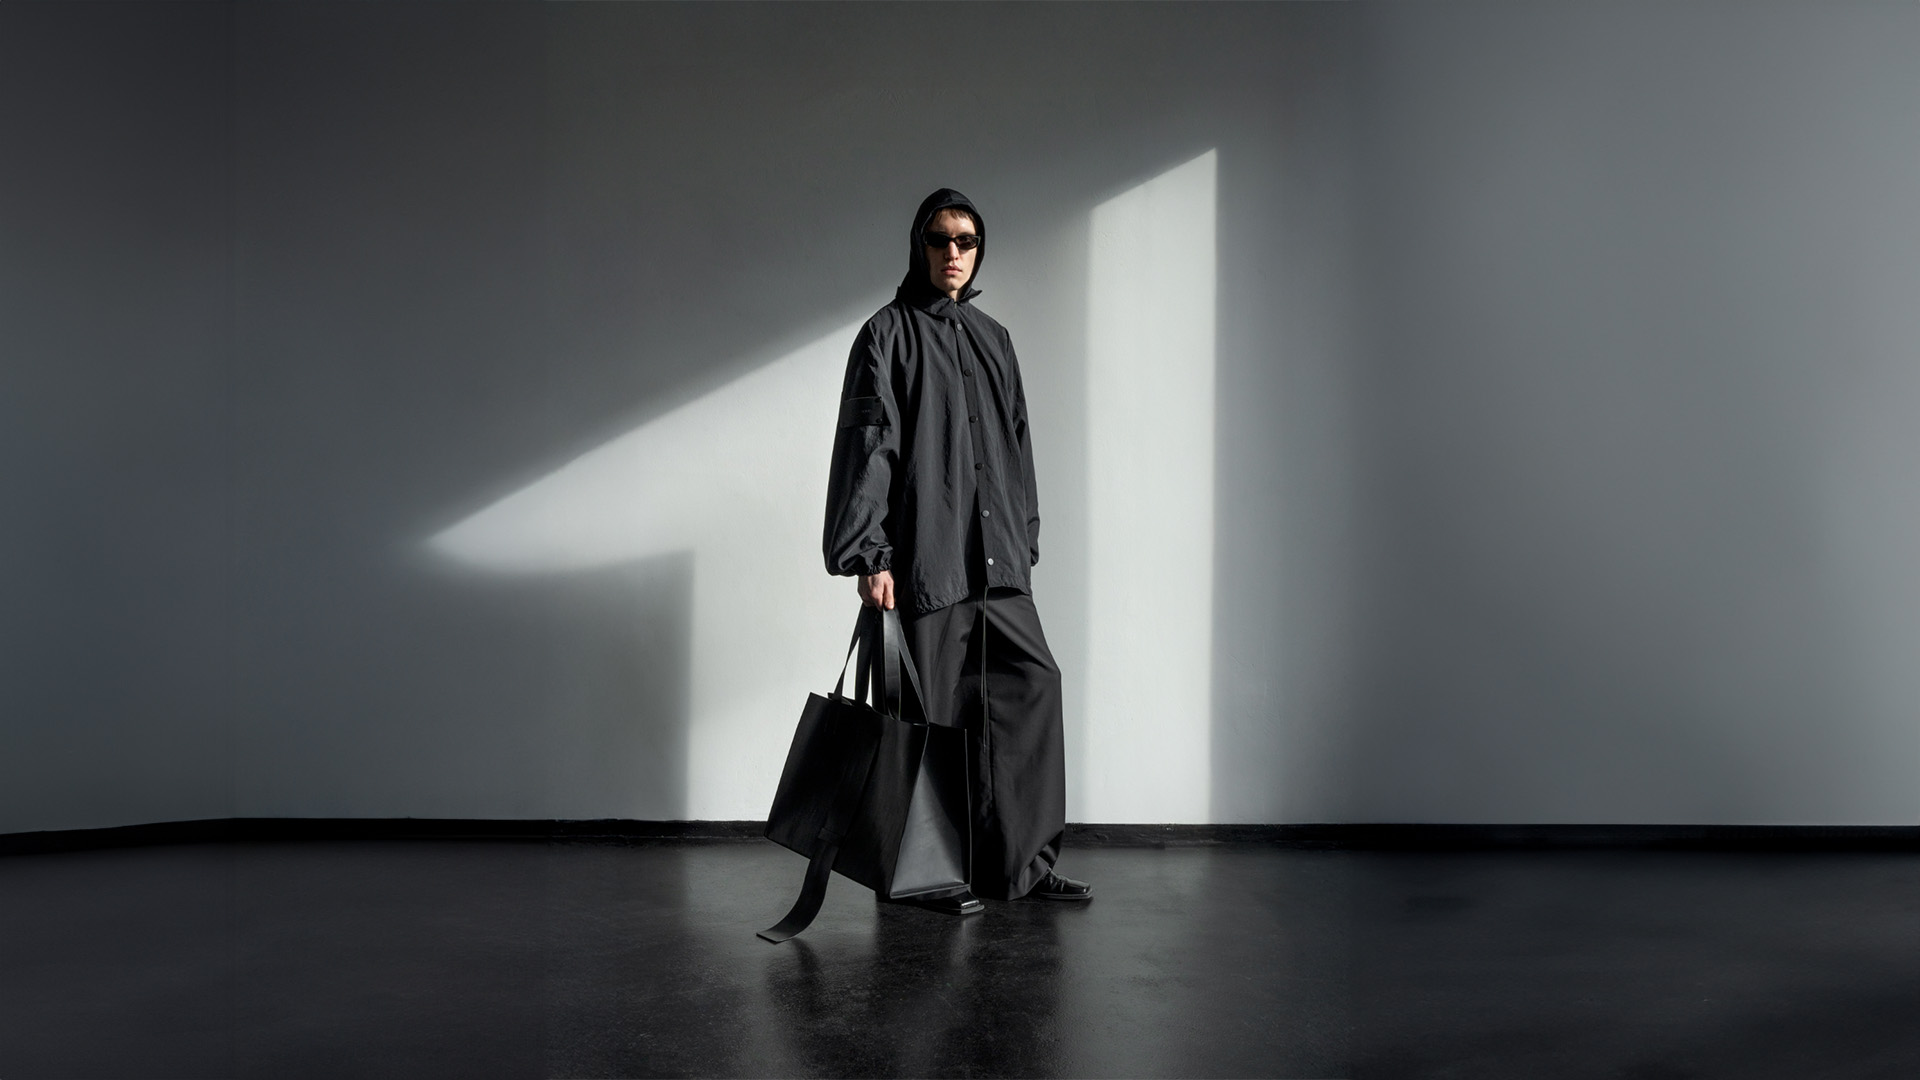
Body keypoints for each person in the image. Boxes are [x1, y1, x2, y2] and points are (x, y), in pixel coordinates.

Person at [823, 188, 1092, 909]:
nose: (952, 252)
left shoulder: (994, 339)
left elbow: (1019, 443)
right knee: (929, 718)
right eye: (940, 239)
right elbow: (869, 447)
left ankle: (1020, 866)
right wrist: (868, 554)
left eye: (966, 241)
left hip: (998, 561)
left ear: (979, 250)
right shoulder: (885, 336)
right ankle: (925, 875)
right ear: (920, 245)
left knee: (1031, 690)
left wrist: (1023, 534)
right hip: (926, 559)